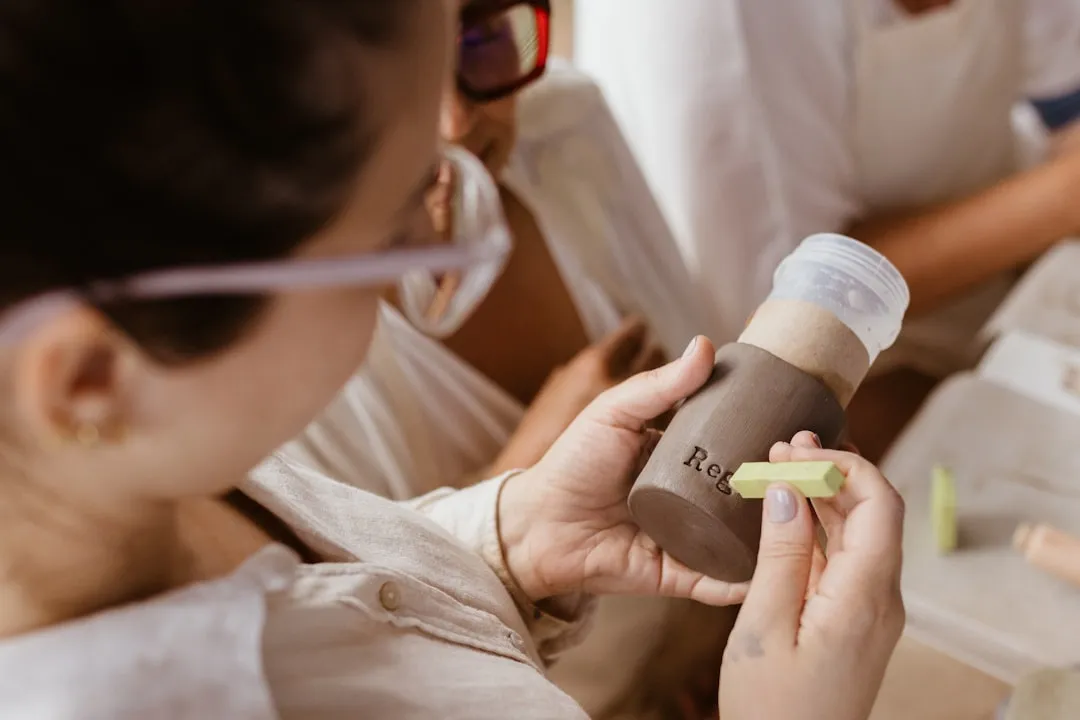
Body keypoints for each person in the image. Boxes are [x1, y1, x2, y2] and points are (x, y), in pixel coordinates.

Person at [0, 1, 905, 718]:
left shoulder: (159, 477)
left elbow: (348, 599)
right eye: (397, 230)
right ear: (88, 383)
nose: (451, 236)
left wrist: (509, 545)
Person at [282, 2, 730, 716]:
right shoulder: (275, 336)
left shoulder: (568, 128)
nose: (455, 123)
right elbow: (360, 650)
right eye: (391, 63)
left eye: (485, 38)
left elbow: (705, 354)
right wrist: (527, 461)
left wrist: (722, 633)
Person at [576, 0, 1080, 459]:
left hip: (1004, 305)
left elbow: (1064, 106)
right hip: (845, 391)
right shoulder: (716, 20)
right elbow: (783, 326)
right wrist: (1062, 197)